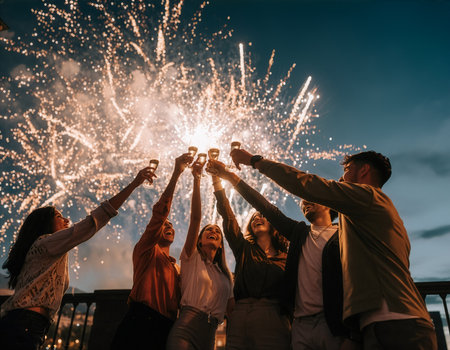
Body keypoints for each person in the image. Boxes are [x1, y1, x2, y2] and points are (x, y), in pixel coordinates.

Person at [230, 149, 437, 350]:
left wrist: (255, 160)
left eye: (346, 170)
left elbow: (307, 184)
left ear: (363, 171)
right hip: (378, 324)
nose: (340, 179)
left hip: (397, 324)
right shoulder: (360, 219)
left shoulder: (368, 197)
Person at [208, 160, 358, 350]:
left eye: (311, 196)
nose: (305, 200)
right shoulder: (299, 234)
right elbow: (265, 207)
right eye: (302, 199)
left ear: (329, 203)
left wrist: (353, 332)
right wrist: (229, 177)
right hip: (300, 325)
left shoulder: (344, 236)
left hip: (332, 323)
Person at [0, 166, 155, 350]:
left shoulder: (46, 250)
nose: (66, 220)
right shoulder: (44, 243)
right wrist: (134, 184)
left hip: (27, 326)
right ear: (45, 224)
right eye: (59, 216)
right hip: (24, 325)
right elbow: (94, 221)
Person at [110, 153, 192, 350]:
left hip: (167, 328)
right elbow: (160, 212)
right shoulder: (146, 250)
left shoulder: (177, 268)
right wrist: (176, 173)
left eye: (171, 225)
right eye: (165, 224)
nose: (168, 226)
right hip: (141, 322)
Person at [210, 165, 290, 350]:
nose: (257, 218)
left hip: (274, 319)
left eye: (263, 216)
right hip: (240, 318)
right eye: (254, 217)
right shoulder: (244, 249)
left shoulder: (287, 258)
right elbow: (228, 219)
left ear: (274, 224)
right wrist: (216, 181)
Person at [166, 158, 233, 350]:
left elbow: (232, 310)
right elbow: (195, 219)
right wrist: (197, 179)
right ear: (200, 240)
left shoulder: (226, 276)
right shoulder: (191, 257)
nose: (213, 231)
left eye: (217, 232)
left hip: (210, 335)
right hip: (185, 329)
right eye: (208, 231)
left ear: (221, 245)